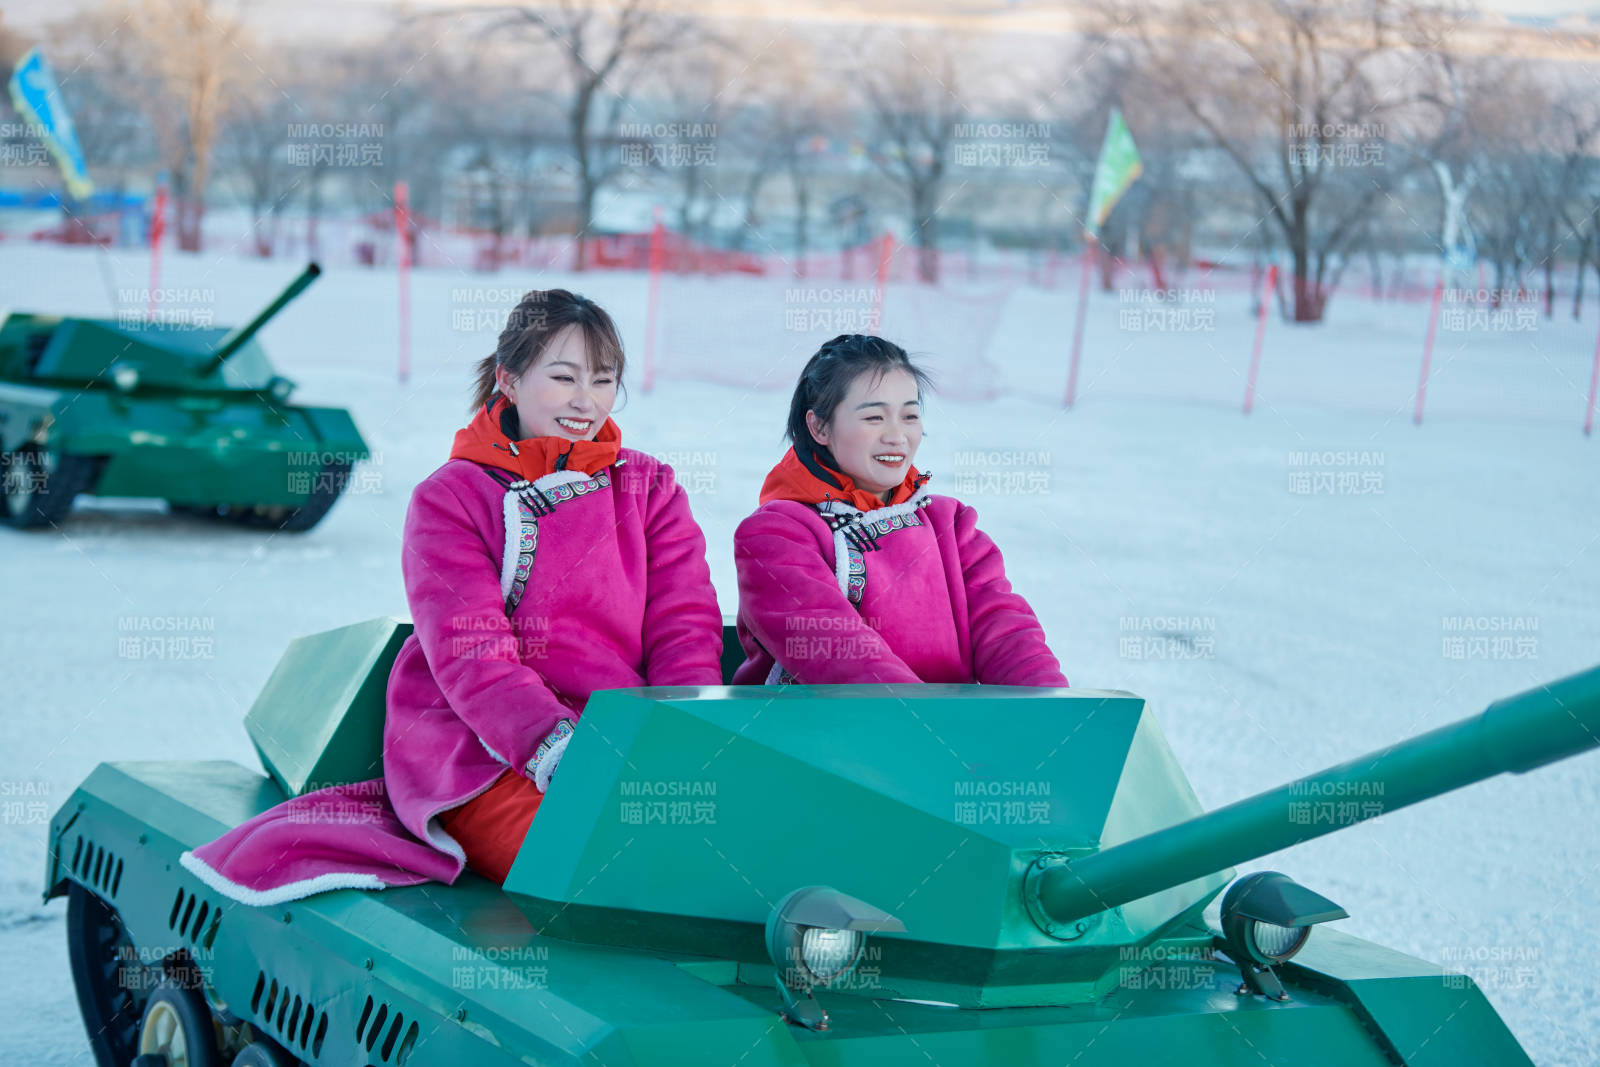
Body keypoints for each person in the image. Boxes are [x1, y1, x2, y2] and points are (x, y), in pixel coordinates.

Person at [182, 289, 723, 902]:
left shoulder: (647, 486)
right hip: (485, 747)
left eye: (603, 380)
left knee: (736, 843)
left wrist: (684, 726)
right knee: (605, 860)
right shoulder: (452, 496)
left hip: (624, 734)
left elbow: (684, 621)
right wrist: (554, 746)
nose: (585, 401)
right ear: (510, 380)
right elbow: (472, 651)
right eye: (564, 376)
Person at [731, 333, 1067, 688]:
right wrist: (924, 726)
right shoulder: (776, 535)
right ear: (819, 427)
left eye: (909, 416)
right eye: (875, 417)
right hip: (816, 737)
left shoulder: (951, 526)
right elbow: (833, 648)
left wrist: (1048, 710)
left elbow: (1005, 631)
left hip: (948, 733)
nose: (897, 436)